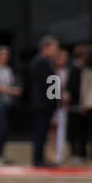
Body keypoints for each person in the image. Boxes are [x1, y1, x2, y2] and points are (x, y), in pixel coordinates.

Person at [28, 35, 61, 168]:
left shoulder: (46, 61)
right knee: (40, 131)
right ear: (46, 48)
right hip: (43, 103)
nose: (56, 51)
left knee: (43, 132)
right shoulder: (40, 61)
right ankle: (38, 160)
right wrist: (55, 97)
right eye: (54, 48)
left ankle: (40, 159)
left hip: (45, 102)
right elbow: (47, 82)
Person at [67, 45, 89, 165]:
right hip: (75, 104)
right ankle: (75, 153)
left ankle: (83, 153)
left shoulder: (86, 68)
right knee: (74, 130)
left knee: (84, 129)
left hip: (85, 103)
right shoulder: (72, 68)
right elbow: (72, 87)